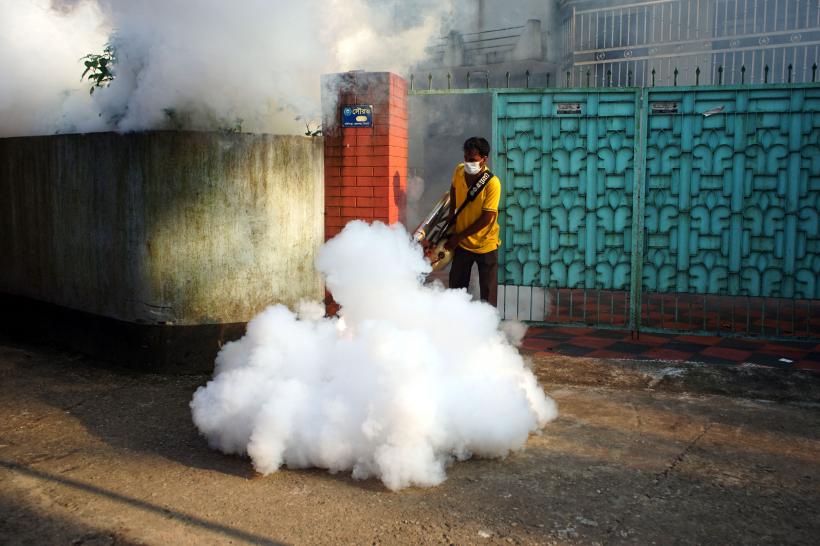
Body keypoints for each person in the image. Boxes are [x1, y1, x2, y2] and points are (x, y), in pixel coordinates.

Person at [444, 137, 502, 307]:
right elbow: (454, 189)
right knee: (456, 289)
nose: (468, 162)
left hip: (486, 244)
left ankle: (488, 328)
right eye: (466, 158)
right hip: (462, 243)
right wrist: (452, 212)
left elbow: (487, 217)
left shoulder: (492, 183)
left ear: (484, 159)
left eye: (473, 160)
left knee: (488, 294)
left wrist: (458, 237)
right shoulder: (459, 170)